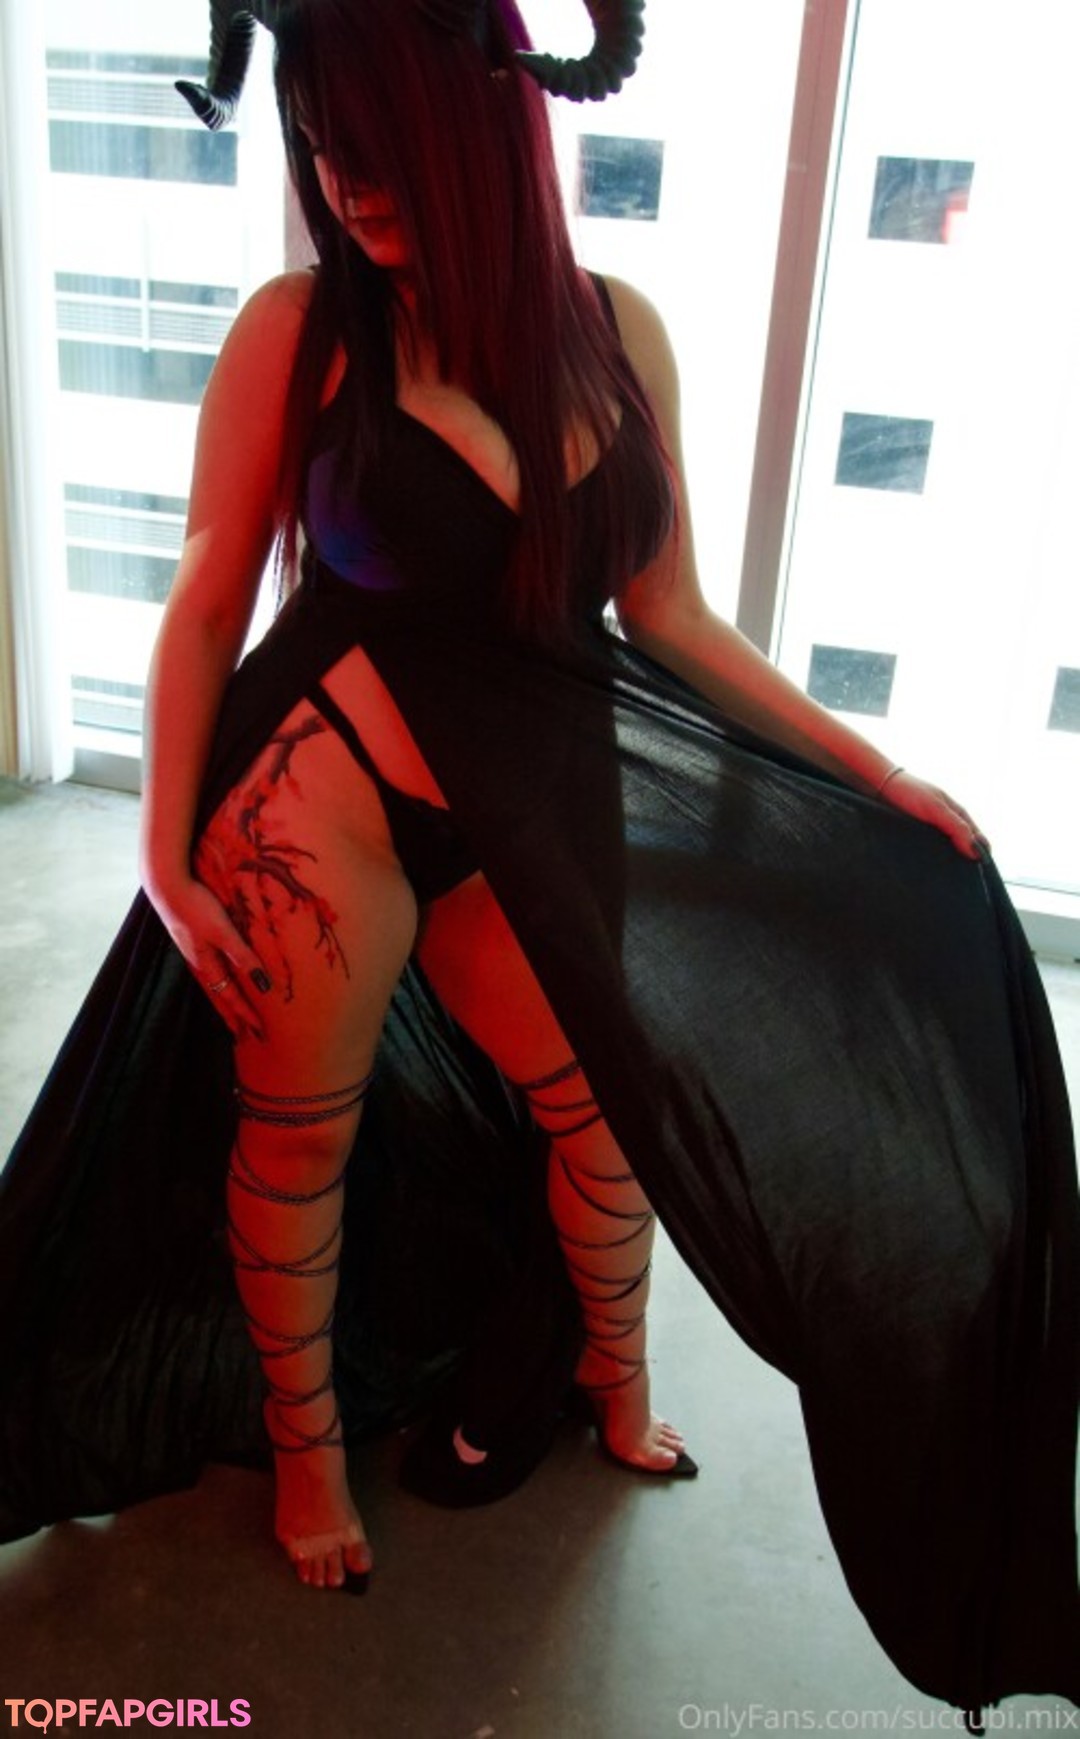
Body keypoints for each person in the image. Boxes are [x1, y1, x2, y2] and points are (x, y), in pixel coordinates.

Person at [1, 0, 1077, 1716]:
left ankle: (613, 1374)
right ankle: (306, 1452)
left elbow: (673, 614)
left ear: (489, 131)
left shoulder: (616, 333)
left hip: (522, 801)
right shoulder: (301, 331)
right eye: (320, 146)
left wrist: (876, 773)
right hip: (323, 790)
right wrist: (158, 849)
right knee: (299, 1138)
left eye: (381, 148)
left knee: (607, 1115)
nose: (346, 185)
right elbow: (209, 591)